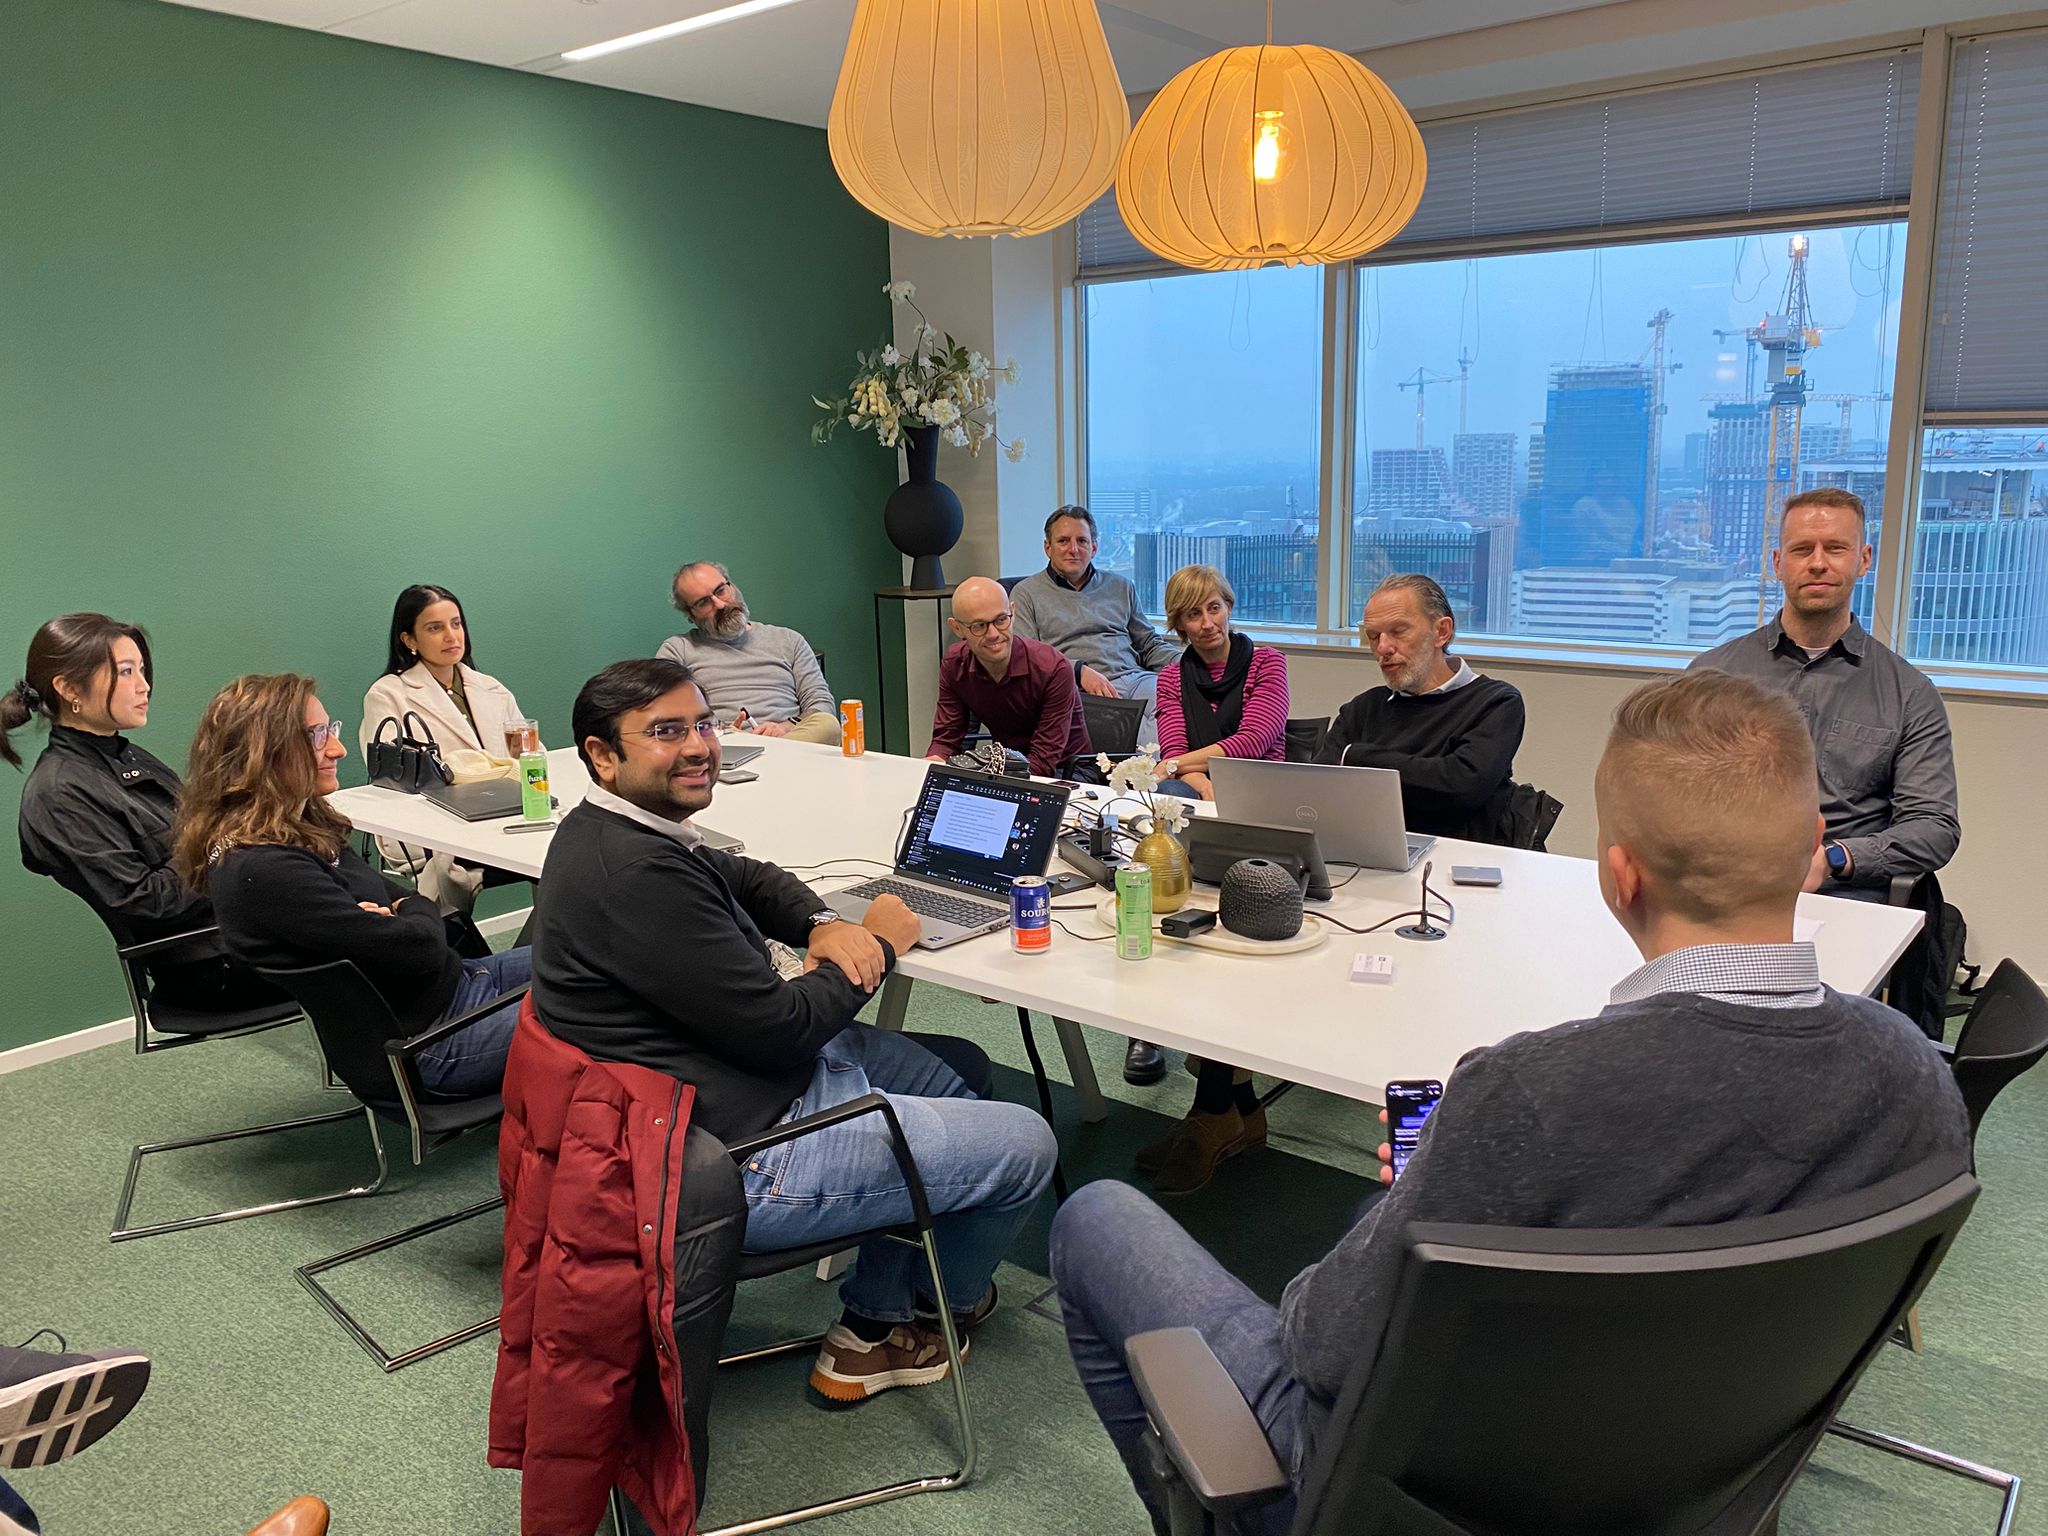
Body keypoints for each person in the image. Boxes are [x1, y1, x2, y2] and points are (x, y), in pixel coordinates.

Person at [1049, 668, 1970, 1533]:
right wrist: (1447, 1186)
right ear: (1812, 852)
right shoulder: (1918, 1076)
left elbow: (1319, 1342)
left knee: (1095, 1218)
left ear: (1620, 877)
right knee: (1383, 1210)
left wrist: (1456, 1160)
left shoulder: (1529, 1091)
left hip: (1394, 1496)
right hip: (1694, 1485)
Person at [531, 658, 1057, 1407]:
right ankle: (919, 1317)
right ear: (602, 754)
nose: (699, 746)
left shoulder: (619, 828)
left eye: (704, 724)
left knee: (962, 1068)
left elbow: (747, 877)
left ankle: (882, 1311)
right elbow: (783, 1030)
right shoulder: (635, 877)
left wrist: (824, 923)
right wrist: (877, 945)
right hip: (737, 1154)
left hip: (721, 1089)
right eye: (666, 732)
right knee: (1029, 1141)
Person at [171, 673, 526, 1096]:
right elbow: (421, 947)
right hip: (432, 1043)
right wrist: (405, 917)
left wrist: (402, 914)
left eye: (330, 730)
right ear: (262, 752)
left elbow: (407, 902)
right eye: (316, 736)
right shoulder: (265, 870)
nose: (337, 749)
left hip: (458, 985)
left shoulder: (300, 828)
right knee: (593, 1002)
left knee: (590, 963)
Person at [1690, 487, 1960, 901]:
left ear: (1863, 560)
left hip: (1839, 892)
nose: (1818, 563)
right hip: (1722, 885)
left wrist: (1835, 858)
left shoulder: (1909, 694)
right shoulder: (1711, 676)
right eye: (1802, 549)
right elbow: (1667, 789)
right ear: (1778, 563)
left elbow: (1933, 826)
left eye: (1835, 548)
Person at [5, 613, 280, 1013]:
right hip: (210, 964)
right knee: (367, 948)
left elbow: (200, 830)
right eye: (126, 672)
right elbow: (149, 904)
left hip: (242, 929)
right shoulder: (58, 793)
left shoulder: (121, 753)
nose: (144, 685)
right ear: (69, 688)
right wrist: (223, 843)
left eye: (141, 669)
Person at [360, 583, 538, 912]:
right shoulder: (388, 695)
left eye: (456, 624)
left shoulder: (491, 688)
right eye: (435, 628)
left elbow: (529, 757)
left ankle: (553, 938)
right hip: (433, 826)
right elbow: (394, 780)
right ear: (409, 640)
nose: (451, 636)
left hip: (502, 815)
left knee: (561, 851)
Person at [1313, 574, 1525, 842]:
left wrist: (1356, 757)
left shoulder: (1495, 702)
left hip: (1457, 855)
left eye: (1398, 631)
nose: (1383, 648)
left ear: (1441, 632)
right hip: (1367, 850)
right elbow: (1320, 787)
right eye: (1373, 636)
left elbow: (1461, 787)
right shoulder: (1363, 708)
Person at [1011, 506, 1179, 742]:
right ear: (1047, 547)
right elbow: (1026, 657)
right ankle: (1145, 765)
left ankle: (1152, 765)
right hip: (1078, 689)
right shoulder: (1026, 593)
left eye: (1082, 541)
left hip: (1136, 679)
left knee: (1171, 701)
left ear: (1094, 547)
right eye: (1063, 541)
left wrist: (1189, 663)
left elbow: (1149, 645)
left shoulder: (1121, 586)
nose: (1073, 549)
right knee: (1128, 731)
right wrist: (1077, 671)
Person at [926, 576, 1092, 779]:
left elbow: (1043, 762)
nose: (993, 634)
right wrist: (929, 767)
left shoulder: (1053, 668)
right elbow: (946, 740)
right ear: (957, 628)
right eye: (979, 625)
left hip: (1068, 772)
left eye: (1001, 620)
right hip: (1006, 766)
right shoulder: (955, 664)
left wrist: (991, 780)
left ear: (1013, 613)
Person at [659, 561, 840, 744]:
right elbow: (669, 713)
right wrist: (723, 731)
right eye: (703, 602)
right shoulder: (677, 650)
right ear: (691, 616)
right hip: (725, 746)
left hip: (792, 739)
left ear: (733, 586)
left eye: (721, 590)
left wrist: (786, 727)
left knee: (827, 724)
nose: (720, 604)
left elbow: (821, 703)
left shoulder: (789, 639)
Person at [1152, 565, 1290, 802]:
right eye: (1193, 614)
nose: (1207, 624)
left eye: (1214, 608)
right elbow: (1175, 749)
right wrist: (1206, 787)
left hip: (1259, 780)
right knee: (1170, 793)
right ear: (1180, 623)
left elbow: (1253, 742)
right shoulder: (1170, 678)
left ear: (1229, 606)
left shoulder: (1267, 662)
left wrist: (1171, 765)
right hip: (1195, 783)